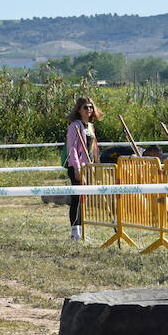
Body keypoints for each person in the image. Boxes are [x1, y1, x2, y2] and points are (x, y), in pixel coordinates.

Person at [64, 97, 102, 241]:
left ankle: (83, 230)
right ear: (79, 110)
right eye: (86, 107)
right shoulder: (75, 126)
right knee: (77, 198)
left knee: (84, 199)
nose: (89, 110)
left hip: (89, 166)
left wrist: (97, 162)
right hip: (77, 166)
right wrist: (77, 167)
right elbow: (72, 148)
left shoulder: (90, 126)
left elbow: (94, 146)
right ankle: (75, 232)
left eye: (91, 107)